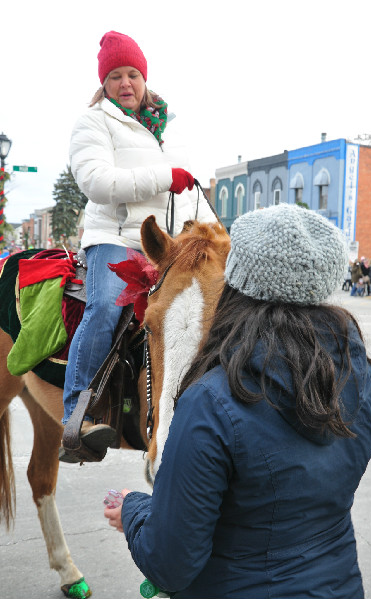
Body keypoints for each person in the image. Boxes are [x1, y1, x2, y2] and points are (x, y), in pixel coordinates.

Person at [104, 204, 371, 599]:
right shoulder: (361, 377)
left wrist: (135, 511)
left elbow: (171, 562)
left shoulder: (210, 401)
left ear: (237, 283)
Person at [59, 31, 216, 460]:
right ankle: (76, 418)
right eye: (115, 76)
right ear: (104, 84)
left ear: (144, 78)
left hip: (166, 242)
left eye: (132, 74)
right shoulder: (93, 122)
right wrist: (164, 177)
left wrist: (214, 235)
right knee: (108, 305)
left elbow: (190, 191)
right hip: (114, 237)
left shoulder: (169, 126)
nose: (125, 83)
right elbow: (97, 182)